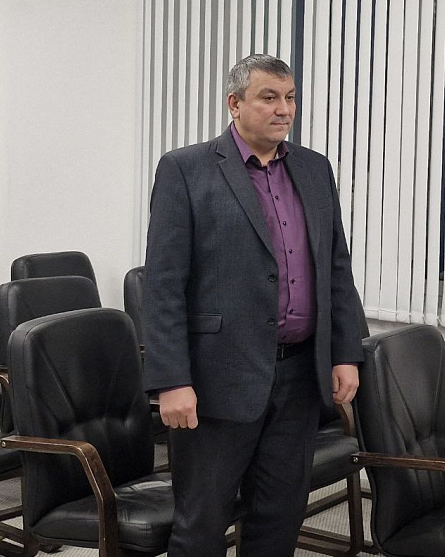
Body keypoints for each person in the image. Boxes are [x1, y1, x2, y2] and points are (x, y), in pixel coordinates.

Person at [142, 54, 364, 557]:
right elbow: (164, 285)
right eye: (269, 97)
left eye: (290, 97)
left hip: (299, 377)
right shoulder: (186, 169)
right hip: (217, 379)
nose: (284, 109)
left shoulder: (314, 168)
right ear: (234, 103)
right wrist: (171, 380)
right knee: (202, 523)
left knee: (279, 517)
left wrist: (345, 352)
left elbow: (335, 267)